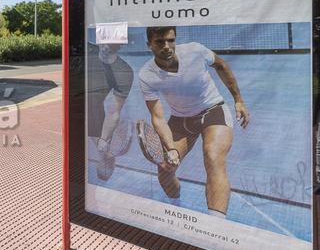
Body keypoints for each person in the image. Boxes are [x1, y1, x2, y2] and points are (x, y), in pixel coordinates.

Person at [139, 26, 250, 218]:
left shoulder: (195, 51)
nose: (167, 46)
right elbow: (157, 117)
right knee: (165, 169)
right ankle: (177, 207)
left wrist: (238, 100)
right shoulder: (147, 75)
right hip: (180, 118)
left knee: (213, 157)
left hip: (213, 110)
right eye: (159, 42)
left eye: (170, 40)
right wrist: (170, 148)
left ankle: (216, 223)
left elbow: (221, 65)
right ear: (149, 45)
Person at [86, 42, 134, 180]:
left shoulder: (124, 71)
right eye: (104, 41)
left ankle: (104, 156)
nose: (106, 47)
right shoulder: (86, 49)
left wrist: (103, 140)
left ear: (120, 45)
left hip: (92, 111)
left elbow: (114, 111)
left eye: (112, 44)